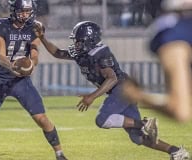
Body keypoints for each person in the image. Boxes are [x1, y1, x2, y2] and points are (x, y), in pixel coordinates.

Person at [33, 20, 190, 160]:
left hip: (121, 88)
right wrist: (42, 38)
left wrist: (92, 97)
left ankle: (143, 123)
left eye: (79, 42)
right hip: (119, 90)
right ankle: (176, 151)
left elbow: (112, 78)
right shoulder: (83, 52)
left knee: (102, 120)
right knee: (138, 137)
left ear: (90, 41)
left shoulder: (100, 53)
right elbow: (58, 53)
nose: (76, 45)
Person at [0, 0, 68, 160]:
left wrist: (30, 65)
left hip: (22, 81)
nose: (25, 15)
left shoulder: (34, 28)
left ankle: (59, 154)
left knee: (42, 119)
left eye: (28, 11)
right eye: (22, 11)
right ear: (14, 11)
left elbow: (34, 54)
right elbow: (1, 55)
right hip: (1, 79)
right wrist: (13, 67)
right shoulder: (0, 26)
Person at [122, 0, 192, 123]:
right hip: (178, 25)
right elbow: (181, 112)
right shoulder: (177, 33)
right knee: (181, 110)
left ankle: (135, 94)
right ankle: (135, 94)